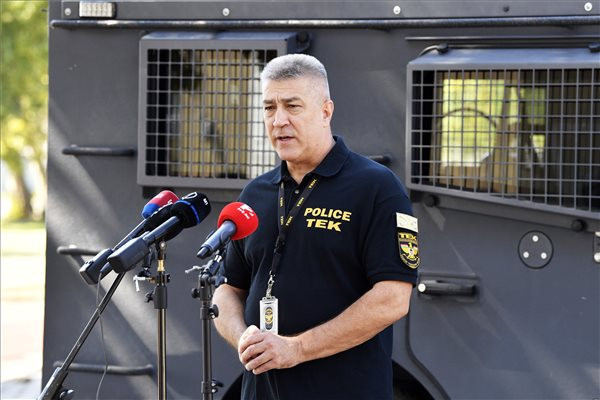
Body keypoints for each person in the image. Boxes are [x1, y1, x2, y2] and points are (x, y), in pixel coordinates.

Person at [212, 53, 419, 400]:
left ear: (326, 111)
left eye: (292, 106)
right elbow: (228, 289)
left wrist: (297, 348)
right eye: (269, 108)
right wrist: (242, 337)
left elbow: (393, 299)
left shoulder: (377, 188)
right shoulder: (255, 194)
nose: (279, 120)